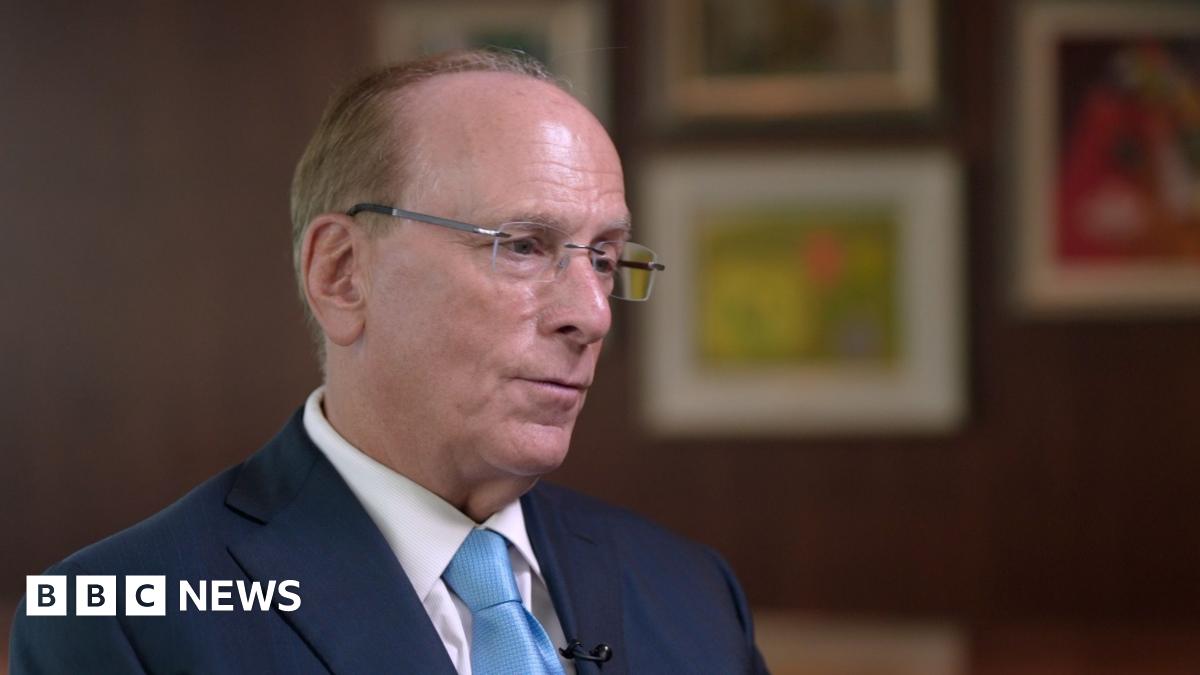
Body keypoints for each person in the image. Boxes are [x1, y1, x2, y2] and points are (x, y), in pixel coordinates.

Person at [10, 50, 767, 674]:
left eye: (603, 257)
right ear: (342, 274)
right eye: (524, 246)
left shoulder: (691, 588)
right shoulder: (111, 615)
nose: (593, 314)